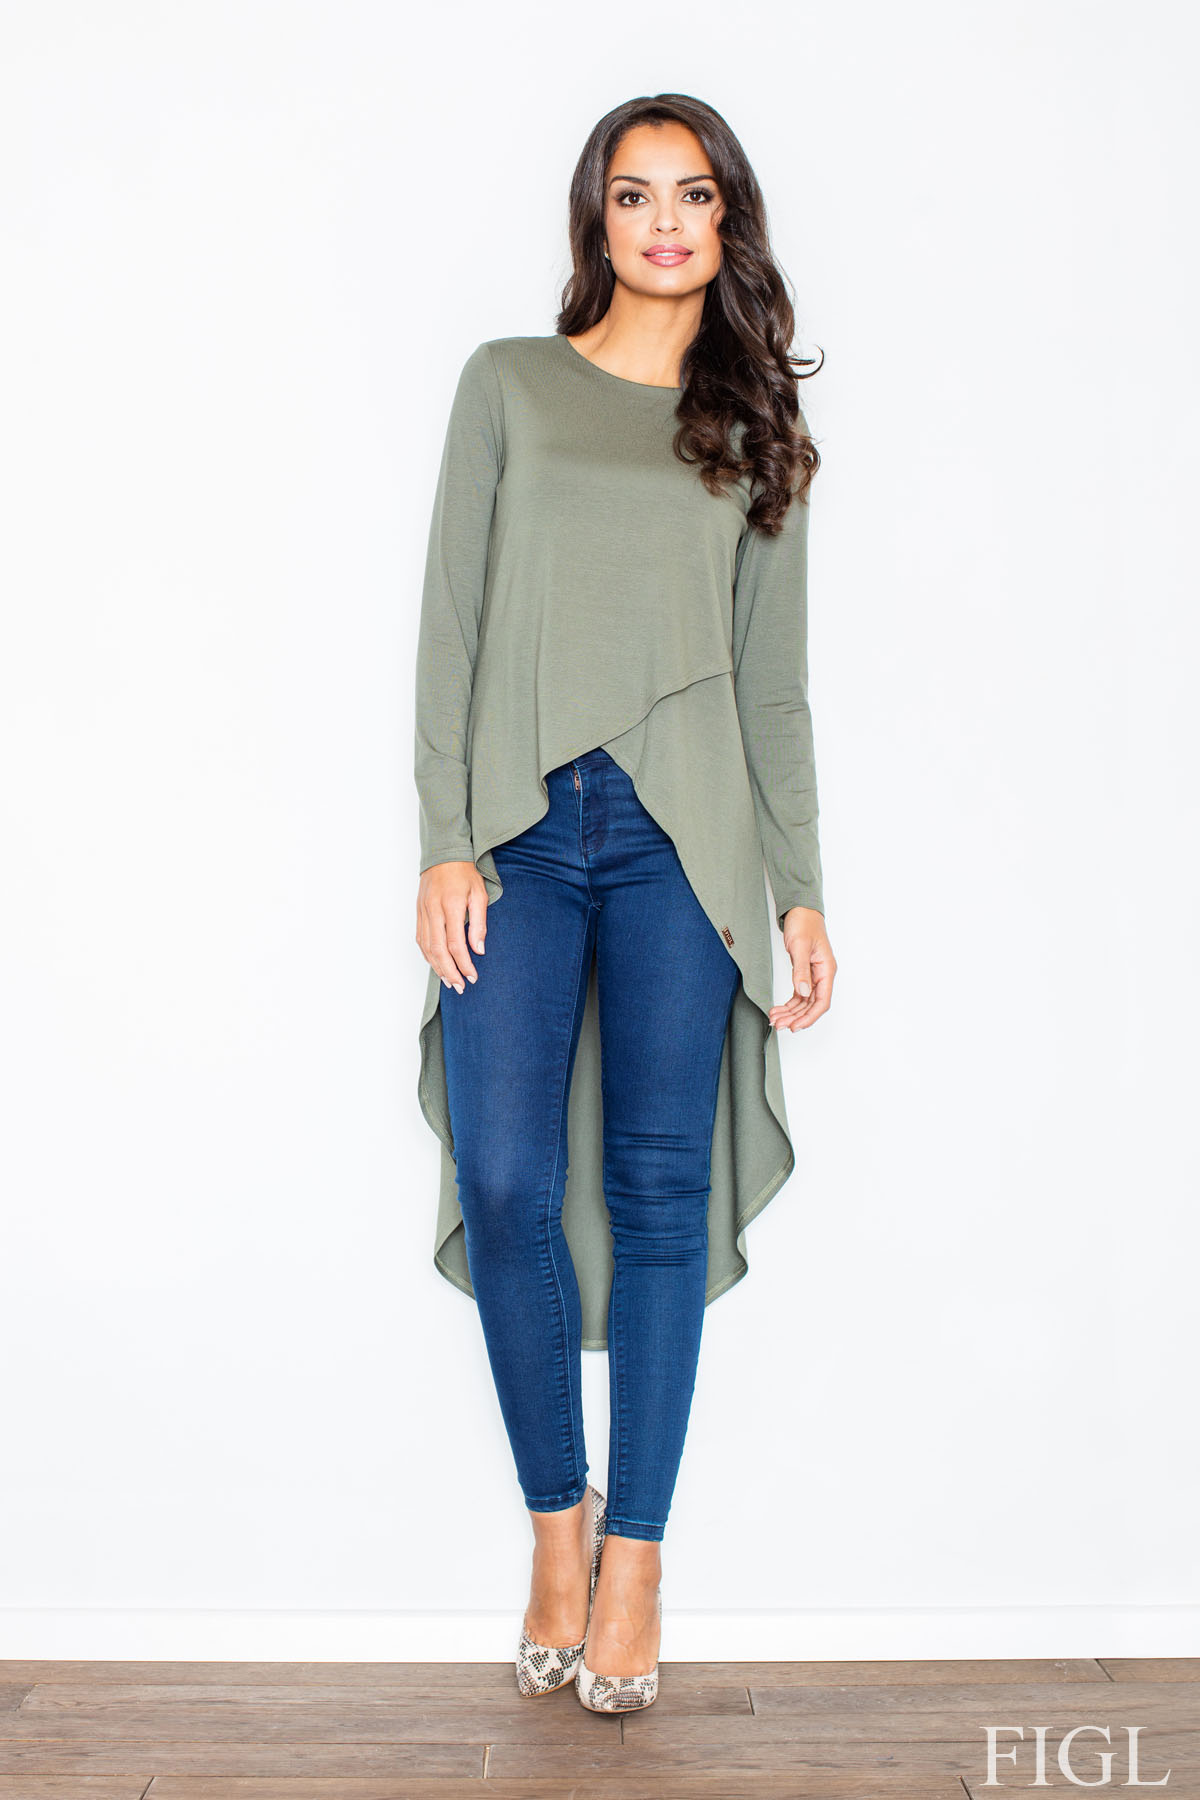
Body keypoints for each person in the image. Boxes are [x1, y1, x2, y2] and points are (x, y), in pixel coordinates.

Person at [413, 92, 838, 1713]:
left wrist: (800, 891)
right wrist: (444, 839)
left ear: (729, 223)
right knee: (506, 1176)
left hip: (688, 844)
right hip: (518, 833)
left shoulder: (754, 428)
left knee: (661, 1192)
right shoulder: (507, 384)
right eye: (637, 194)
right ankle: (557, 1527)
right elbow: (451, 622)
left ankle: (638, 1559)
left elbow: (775, 686)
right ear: (597, 215)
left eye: (696, 195)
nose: (666, 222)